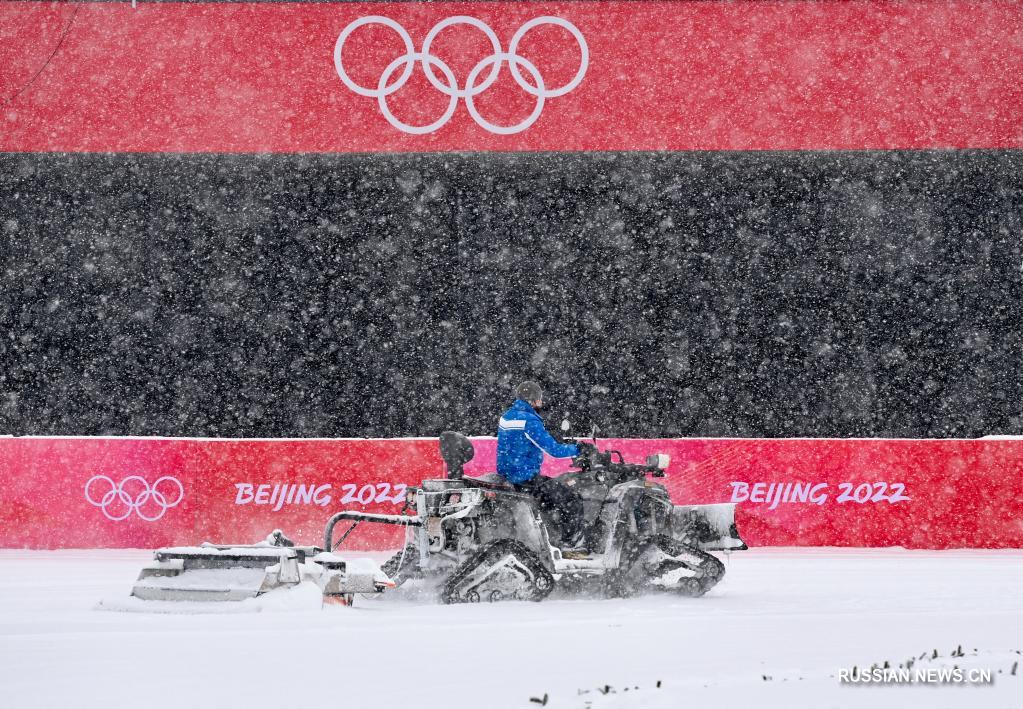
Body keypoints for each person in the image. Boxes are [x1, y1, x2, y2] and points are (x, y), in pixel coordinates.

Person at [496, 380, 587, 551]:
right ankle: (571, 546)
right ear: (532, 400)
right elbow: (554, 450)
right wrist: (579, 448)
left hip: (508, 475)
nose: (541, 403)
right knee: (571, 500)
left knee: (552, 496)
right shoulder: (529, 420)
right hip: (525, 478)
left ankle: (552, 536)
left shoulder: (507, 416)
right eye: (539, 399)